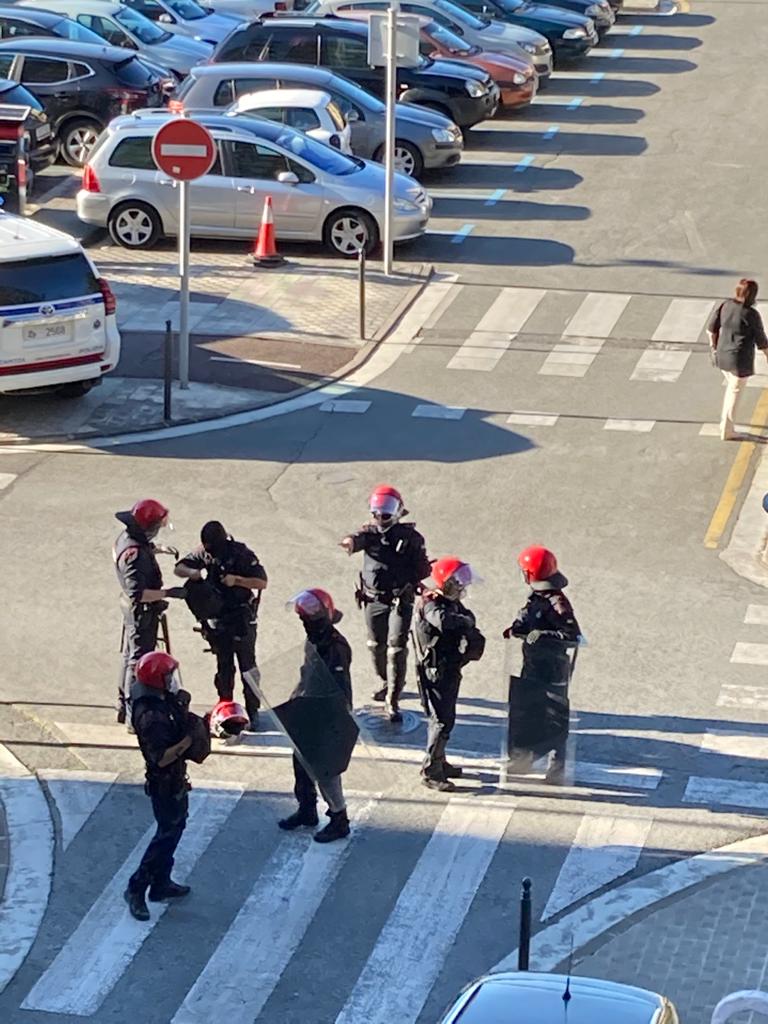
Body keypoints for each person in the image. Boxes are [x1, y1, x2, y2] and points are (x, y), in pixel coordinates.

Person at [124, 650, 210, 922]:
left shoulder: (159, 701)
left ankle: (161, 883)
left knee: (175, 827)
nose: (173, 680)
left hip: (174, 780)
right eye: (168, 676)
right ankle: (137, 887)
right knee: (166, 834)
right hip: (164, 782)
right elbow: (160, 758)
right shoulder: (151, 717)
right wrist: (187, 740)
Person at [339, 485, 432, 723]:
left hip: (400, 599)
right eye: (377, 512)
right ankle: (385, 680)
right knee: (375, 645)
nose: (381, 517)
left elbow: (423, 569)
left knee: (396, 647)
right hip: (372, 598)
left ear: (398, 512)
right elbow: (358, 538)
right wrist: (350, 542)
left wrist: (413, 573)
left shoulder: (412, 538)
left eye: (386, 513)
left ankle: (393, 698)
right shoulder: (369, 533)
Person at [276, 588, 358, 843]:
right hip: (308, 711)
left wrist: (329, 718)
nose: (304, 624)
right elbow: (307, 674)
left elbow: (336, 687)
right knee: (301, 763)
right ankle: (307, 810)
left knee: (326, 770)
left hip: (328, 716)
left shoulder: (335, 647)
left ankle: (339, 818)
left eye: (307, 619)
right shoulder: (315, 641)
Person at [174, 521, 267, 731]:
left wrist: (237, 581)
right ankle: (226, 707)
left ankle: (253, 710)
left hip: (241, 615)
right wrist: (193, 574)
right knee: (224, 667)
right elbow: (179, 568)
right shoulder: (204, 552)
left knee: (247, 667)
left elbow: (262, 582)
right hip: (219, 617)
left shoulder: (241, 553)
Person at [503, 545, 581, 785]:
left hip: (553, 668)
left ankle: (556, 769)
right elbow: (526, 620)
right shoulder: (537, 598)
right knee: (529, 714)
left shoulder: (557, 602)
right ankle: (523, 759)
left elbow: (572, 635)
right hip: (533, 665)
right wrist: (517, 629)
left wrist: (544, 634)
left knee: (554, 718)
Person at [413, 557, 485, 792]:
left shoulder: (448, 601)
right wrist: (466, 623)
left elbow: (468, 617)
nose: (462, 587)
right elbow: (444, 622)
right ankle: (431, 770)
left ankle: (440, 760)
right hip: (435, 672)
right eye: (458, 582)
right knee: (441, 721)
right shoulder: (433, 604)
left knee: (447, 718)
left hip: (448, 667)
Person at [114, 499, 179, 729]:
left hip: (132, 611)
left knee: (129, 655)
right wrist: (167, 592)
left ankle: (121, 706)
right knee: (138, 661)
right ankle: (134, 717)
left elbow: (141, 546)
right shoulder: (134, 555)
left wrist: (157, 549)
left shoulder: (127, 539)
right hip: (141, 612)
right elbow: (138, 593)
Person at [707, 278, 768, 441]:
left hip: (722, 356)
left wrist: (713, 347)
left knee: (731, 389)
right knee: (734, 394)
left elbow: (710, 329)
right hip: (739, 361)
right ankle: (727, 430)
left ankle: (724, 425)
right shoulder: (751, 314)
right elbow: (761, 341)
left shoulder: (725, 305)